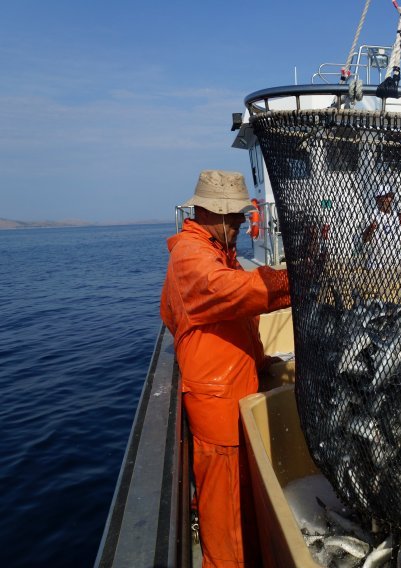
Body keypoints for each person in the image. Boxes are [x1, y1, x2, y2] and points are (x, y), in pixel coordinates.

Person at [160, 170, 291, 568]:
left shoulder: (219, 254)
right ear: (209, 213)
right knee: (226, 528)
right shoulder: (192, 258)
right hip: (218, 415)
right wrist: (296, 280)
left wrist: (266, 364)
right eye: (233, 215)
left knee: (244, 514)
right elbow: (238, 294)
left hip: (236, 399)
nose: (240, 222)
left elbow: (229, 320)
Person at [362, 186, 401, 268]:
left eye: (390, 197)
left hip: (397, 266)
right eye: (385, 196)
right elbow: (365, 239)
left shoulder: (396, 216)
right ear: (378, 199)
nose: (388, 199)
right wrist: (371, 228)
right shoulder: (372, 215)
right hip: (377, 267)